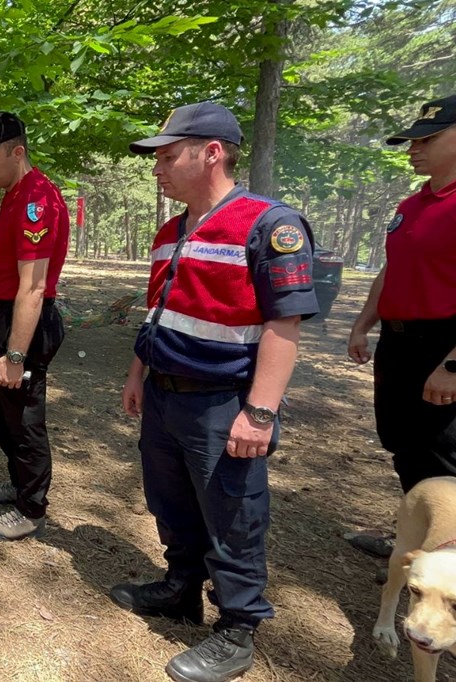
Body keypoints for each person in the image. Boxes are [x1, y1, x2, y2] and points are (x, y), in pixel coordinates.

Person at [111, 102, 318, 682]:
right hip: (164, 395)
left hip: (223, 400)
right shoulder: (170, 231)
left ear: (212, 152)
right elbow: (159, 310)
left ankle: (237, 627)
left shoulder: (267, 224)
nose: (157, 168)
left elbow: (284, 326)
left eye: (168, 155)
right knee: (170, 501)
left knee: (233, 514)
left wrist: (259, 412)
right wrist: (137, 374)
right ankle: (180, 589)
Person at [0, 112, 69, 541]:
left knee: (23, 415)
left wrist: (16, 355)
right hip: (6, 314)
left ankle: (30, 509)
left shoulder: (36, 199)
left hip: (27, 319)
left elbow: (34, 286)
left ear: (17, 151)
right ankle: (20, 483)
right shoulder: (14, 193)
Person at [348, 94, 456, 496]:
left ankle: (443, 550)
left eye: (427, 140)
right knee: (403, 442)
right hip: (399, 344)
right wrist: (363, 325)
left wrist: (453, 365)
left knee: (443, 453)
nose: (414, 148)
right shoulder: (412, 204)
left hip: (443, 345)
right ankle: (414, 535)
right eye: (413, 140)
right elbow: (393, 268)